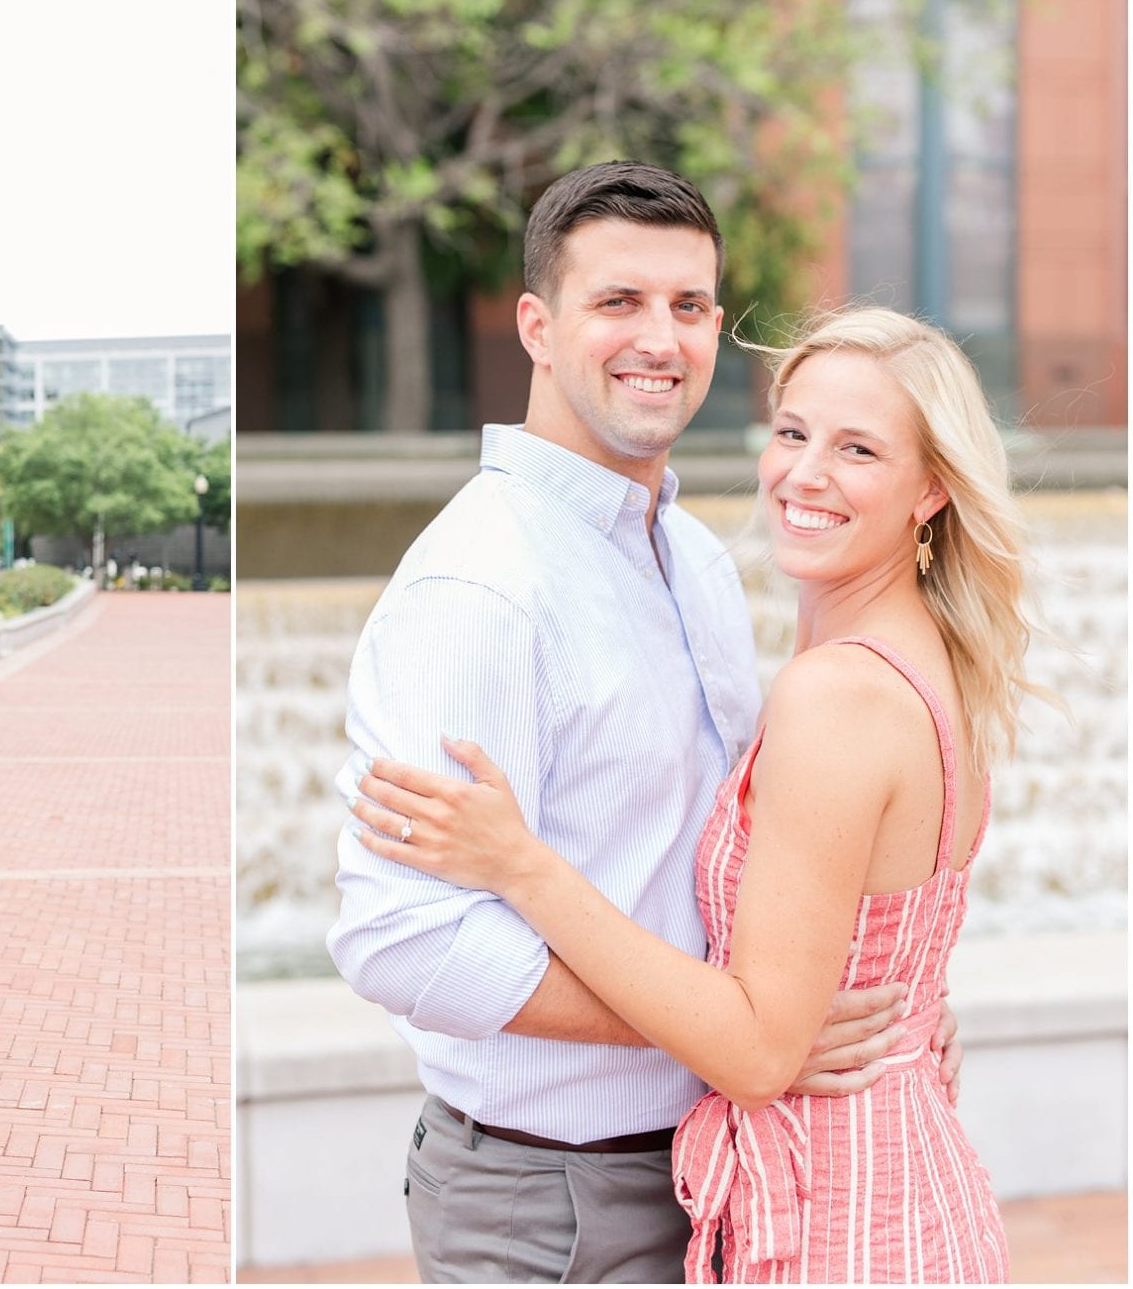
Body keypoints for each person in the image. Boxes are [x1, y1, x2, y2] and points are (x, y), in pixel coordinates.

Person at [325, 162, 960, 1283]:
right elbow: (405, 938)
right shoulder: (482, 586)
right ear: (537, 323)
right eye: (617, 301)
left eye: (690, 305)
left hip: (718, 1163)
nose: (658, 337)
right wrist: (741, 1032)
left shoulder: (701, 560)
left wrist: (821, 1018)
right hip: (554, 1198)